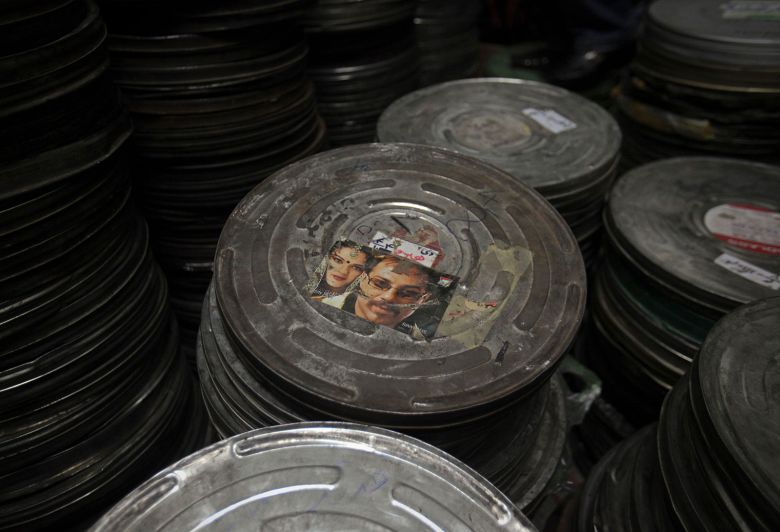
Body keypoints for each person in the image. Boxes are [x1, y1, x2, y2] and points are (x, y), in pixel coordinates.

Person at [321, 255, 437, 333]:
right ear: (361, 279)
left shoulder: (424, 347)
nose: (389, 297)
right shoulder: (317, 307)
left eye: (409, 293)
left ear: (423, 300)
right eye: (380, 283)